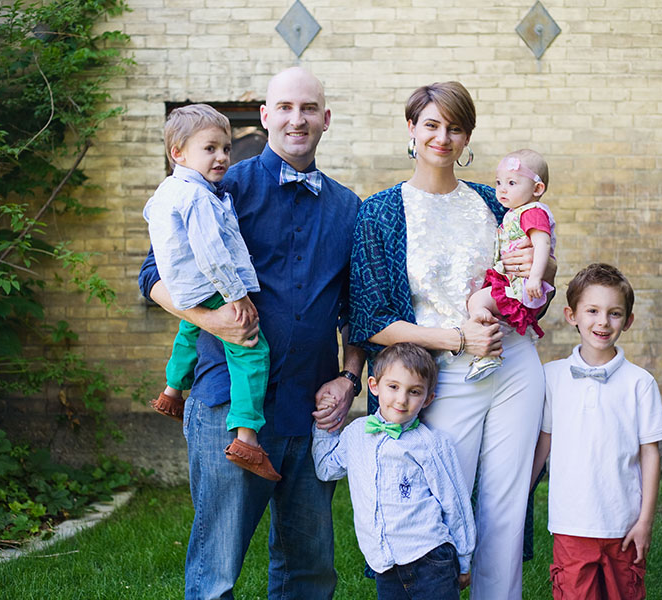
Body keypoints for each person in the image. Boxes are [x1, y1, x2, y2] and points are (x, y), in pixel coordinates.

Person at [138, 67, 364, 600]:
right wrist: (210, 319)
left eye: (308, 108)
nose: (296, 119)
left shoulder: (348, 207)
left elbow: (357, 309)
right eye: (284, 107)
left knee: (309, 571)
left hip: (311, 410)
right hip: (227, 404)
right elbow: (153, 275)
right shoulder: (220, 187)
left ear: (326, 119)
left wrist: (350, 379)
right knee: (216, 570)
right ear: (264, 117)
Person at [349, 81, 556, 600]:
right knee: (438, 507)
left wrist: (543, 267)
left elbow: (535, 287)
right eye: (432, 125)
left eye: (455, 128)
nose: (443, 137)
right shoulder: (381, 211)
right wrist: (457, 338)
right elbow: (370, 320)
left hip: (515, 364)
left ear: (467, 137)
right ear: (412, 129)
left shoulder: (495, 203)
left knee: (506, 507)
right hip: (444, 375)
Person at [143, 103, 278, 481]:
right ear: (178, 153)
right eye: (210, 148)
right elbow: (213, 254)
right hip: (213, 285)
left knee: (189, 331)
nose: (222, 157)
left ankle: (171, 392)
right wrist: (237, 296)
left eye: (226, 148)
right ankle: (247, 438)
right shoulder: (199, 197)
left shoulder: (167, 191)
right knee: (251, 350)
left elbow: (151, 217)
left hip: (184, 287)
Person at [530, 263, 662, 600]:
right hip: (571, 524)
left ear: (628, 321)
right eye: (592, 311)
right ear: (571, 315)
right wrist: (520, 494)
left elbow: (650, 454)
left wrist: (645, 522)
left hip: (623, 525)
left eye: (614, 313)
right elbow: (544, 443)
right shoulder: (552, 377)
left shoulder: (640, 383)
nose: (603, 322)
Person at [312, 343, 476, 600]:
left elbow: (454, 501)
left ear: (428, 399)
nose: (401, 399)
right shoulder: (356, 433)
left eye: (414, 391)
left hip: (430, 558)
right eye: (393, 387)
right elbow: (326, 468)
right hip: (385, 565)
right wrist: (324, 423)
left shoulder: (430, 443)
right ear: (374, 385)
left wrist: (464, 559)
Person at [465, 149, 556, 382]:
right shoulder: (516, 212)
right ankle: (490, 346)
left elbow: (543, 244)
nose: (502, 189)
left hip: (522, 284)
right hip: (514, 280)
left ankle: (487, 351)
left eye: (512, 183)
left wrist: (535, 278)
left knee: (477, 302)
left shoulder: (532, 213)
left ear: (537, 189)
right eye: (499, 182)